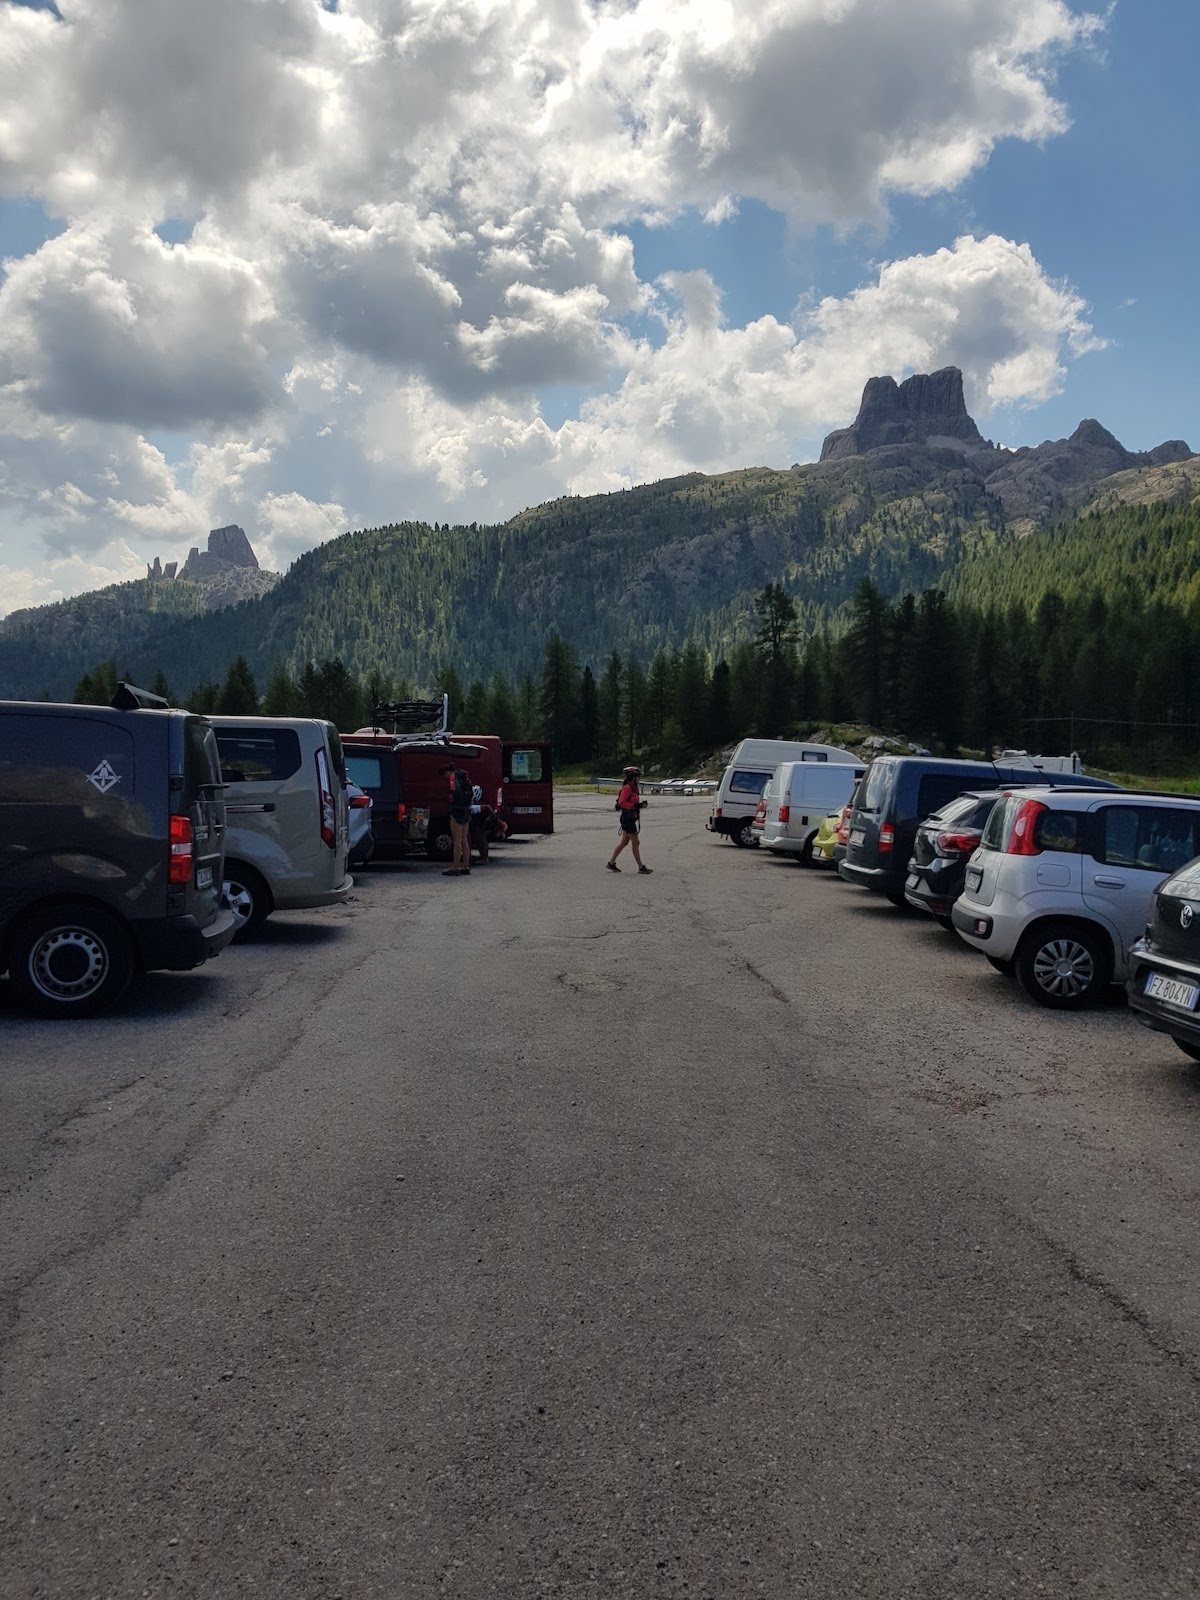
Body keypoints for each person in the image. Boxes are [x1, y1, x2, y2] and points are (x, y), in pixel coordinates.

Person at [606, 765, 652, 874]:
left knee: (624, 842)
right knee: (636, 842)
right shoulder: (628, 788)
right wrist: (634, 806)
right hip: (628, 818)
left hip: (630, 817)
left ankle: (611, 863)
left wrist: (640, 805)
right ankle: (641, 867)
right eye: (638, 776)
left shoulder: (633, 788)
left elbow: (632, 803)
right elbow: (622, 803)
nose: (639, 779)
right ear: (633, 777)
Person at [443, 762, 473, 876]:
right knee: (464, 840)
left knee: (456, 840)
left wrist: (453, 806)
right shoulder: (464, 777)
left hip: (457, 810)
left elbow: (455, 793)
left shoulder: (453, 778)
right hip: (466, 809)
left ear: (447, 772)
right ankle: (465, 866)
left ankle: (455, 867)